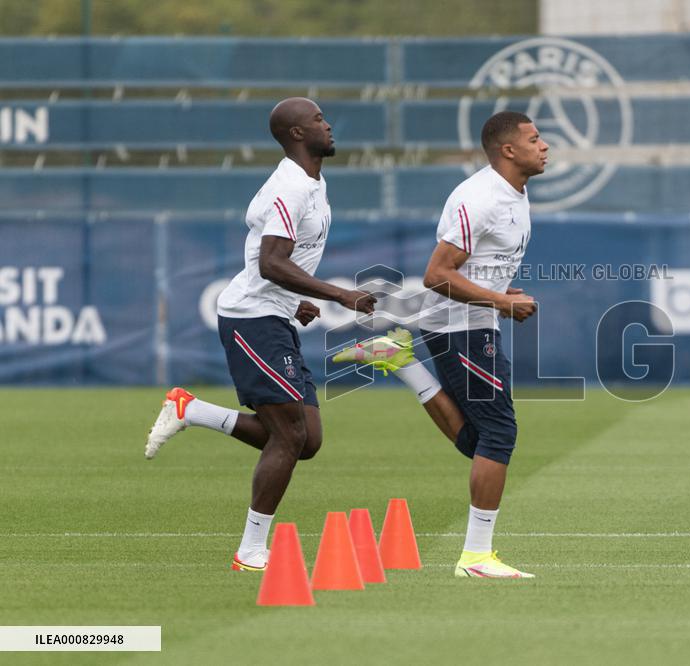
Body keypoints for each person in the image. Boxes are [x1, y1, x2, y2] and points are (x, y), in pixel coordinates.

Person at [144, 97, 375, 572]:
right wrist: (338, 295)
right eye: (317, 120)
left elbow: (272, 261)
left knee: (305, 440)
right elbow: (271, 262)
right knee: (289, 435)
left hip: (275, 314)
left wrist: (298, 301)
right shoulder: (289, 188)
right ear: (295, 134)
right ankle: (251, 551)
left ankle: (191, 410)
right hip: (252, 317)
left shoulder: (311, 180)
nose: (327, 126)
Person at [333, 110, 547, 578]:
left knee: (483, 440)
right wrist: (499, 302)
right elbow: (436, 275)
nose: (544, 145)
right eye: (534, 139)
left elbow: (477, 267)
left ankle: (400, 361)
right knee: (499, 434)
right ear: (508, 150)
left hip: (475, 320)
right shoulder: (481, 198)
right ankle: (475, 558)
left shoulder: (515, 192)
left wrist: (498, 295)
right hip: (458, 325)